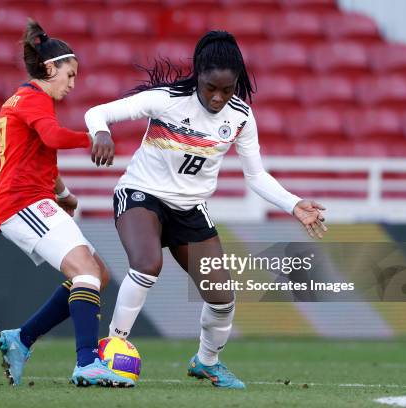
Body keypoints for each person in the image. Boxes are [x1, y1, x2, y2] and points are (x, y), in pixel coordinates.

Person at [84, 30, 327, 389]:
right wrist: (101, 133)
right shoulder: (166, 100)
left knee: (223, 297)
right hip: (141, 195)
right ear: (198, 74)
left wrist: (294, 205)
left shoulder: (241, 117)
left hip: (190, 209)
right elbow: (97, 112)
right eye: (211, 87)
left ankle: (207, 362)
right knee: (148, 264)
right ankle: (112, 346)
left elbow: (256, 176)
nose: (218, 97)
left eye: (227, 90)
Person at [0, 19, 134, 388]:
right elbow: (53, 137)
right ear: (50, 67)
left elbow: (38, 153)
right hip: (21, 204)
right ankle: (87, 363)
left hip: (35, 199)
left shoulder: (26, 100)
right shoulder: (34, 98)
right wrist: (94, 136)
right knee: (86, 273)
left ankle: (20, 340)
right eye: (69, 75)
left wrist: (63, 193)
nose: (72, 85)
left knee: (96, 275)